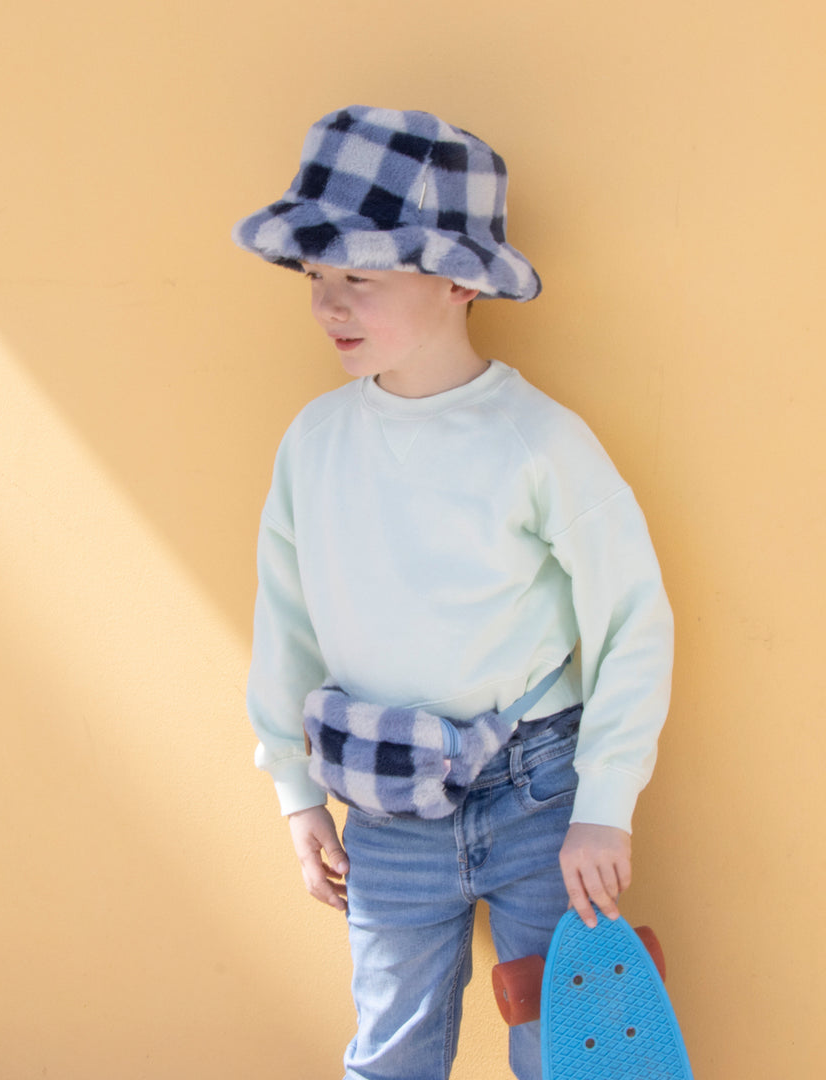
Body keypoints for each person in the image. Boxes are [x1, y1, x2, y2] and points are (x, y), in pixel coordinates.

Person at [232, 105, 674, 1080]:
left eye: (360, 277)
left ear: (460, 280)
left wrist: (607, 798)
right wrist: (293, 791)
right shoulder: (315, 442)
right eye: (317, 278)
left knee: (570, 1051)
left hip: (538, 796)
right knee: (388, 1052)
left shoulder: (538, 440)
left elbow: (631, 615)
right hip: (382, 807)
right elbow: (285, 618)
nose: (328, 305)